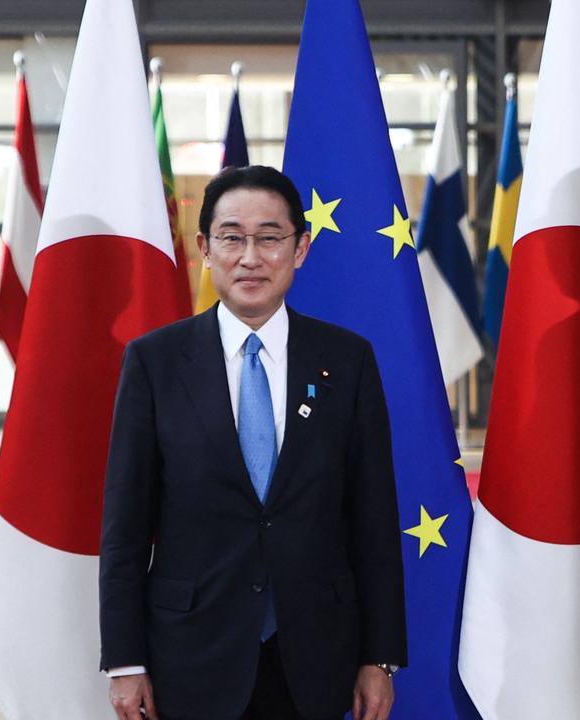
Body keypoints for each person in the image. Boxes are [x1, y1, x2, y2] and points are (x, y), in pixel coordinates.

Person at [99, 165, 406, 720]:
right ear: (204, 249)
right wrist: (125, 661)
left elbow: (374, 521)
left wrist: (379, 658)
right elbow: (125, 526)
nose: (250, 256)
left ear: (301, 249)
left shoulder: (347, 360)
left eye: (270, 238)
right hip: (191, 651)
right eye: (232, 237)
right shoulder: (155, 362)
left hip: (315, 653)